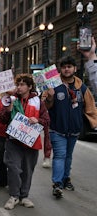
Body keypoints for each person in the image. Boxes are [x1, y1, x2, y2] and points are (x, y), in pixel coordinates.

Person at [43, 56, 97, 198]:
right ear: (60, 69)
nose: (67, 69)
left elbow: (90, 106)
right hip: (57, 129)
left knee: (68, 156)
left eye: (69, 66)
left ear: (75, 69)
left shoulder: (82, 88)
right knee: (60, 155)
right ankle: (57, 184)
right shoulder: (53, 85)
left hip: (74, 130)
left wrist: (93, 122)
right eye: (64, 67)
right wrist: (49, 97)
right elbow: (45, 106)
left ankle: (66, 178)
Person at [0, 74, 50, 210]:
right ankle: (14, 196)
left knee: (28, 170)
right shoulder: (11, 100)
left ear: (30, 87)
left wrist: (37, 120)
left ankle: (24, 196)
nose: (19, 87)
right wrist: (8, 111)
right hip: (13, 141)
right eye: (18, 84)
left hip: (30, 142)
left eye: (22, 85)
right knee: (13, 168)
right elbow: (2, 119)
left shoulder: (38, 102)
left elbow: (46, 120)